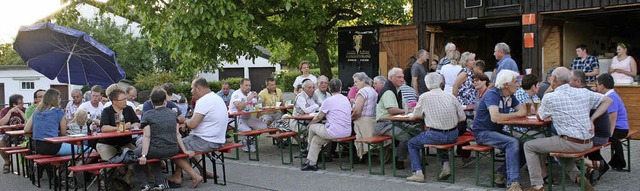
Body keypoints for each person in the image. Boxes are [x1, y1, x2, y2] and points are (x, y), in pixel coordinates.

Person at [524, 67, 612, 191]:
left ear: (553, 78)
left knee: (529, 146)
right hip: (588, 142)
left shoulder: (551, 97)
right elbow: (608, 100)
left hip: (571, 142)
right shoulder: (583, 92)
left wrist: (548, 91)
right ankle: (578, 177)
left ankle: (537, 185)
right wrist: (592, 119)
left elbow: (540, 117)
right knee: (558, 147)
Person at [135, 89, 203, 189]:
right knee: (154, 158)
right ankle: (160, 183)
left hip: (155, 150)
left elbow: (147, 136)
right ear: (165, 102)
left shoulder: (147, 115)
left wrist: (144, 155)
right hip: (173, 150)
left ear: (151, 102)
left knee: (133, 156)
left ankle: (144, 184)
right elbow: (177, 134)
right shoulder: (172, 114)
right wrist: (184, 150)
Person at [406, 72, 465, 182]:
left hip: (435, 134)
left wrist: (412, 115)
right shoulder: (451, 96)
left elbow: (417, 115)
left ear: (426, 84)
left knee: (412, 143)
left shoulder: (424, 97)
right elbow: (462, 118)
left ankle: (418, 172)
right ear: (441, 83)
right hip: (453, 134)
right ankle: (446, 166)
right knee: (441, 141)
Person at [472, 70, 526, 190]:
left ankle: (501, 173)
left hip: (495, 131)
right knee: (512, 142)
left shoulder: (510, 96)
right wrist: (516, 114)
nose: (518, 84)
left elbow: (523, 111)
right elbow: (495, 117)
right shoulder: (492, 94)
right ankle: (513, 183)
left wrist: (516, 113)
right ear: (506, 84)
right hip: (482, 133)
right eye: (516, 81)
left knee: (525, 146)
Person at [168, 77, 226, 186]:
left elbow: (193, 124)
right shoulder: (217, 98)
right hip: (217, 139)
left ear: (199, 88)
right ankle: (202, 171)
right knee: (185, 144)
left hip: (206, 140)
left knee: (171, 147)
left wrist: (185, 123)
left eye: (192, 88)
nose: (191, 91)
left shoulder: (204, 100)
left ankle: (192, 176)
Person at [569, 71, 611, 183]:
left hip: (598, 136)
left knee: (567, 144)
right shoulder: (588, 92)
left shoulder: (583, 95)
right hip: (600, 134)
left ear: (578, 82)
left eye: (570, 80)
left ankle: (590, 168)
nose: (567, 83)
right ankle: (595, 165)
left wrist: (592, 119)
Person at [301, 78, 352, 171]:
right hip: (347, 131)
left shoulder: (328, 101)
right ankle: (312, 163)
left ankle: (307, 148)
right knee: (316, 140)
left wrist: (311, 123)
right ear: (340, 88)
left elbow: (319, 117)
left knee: (312, 127)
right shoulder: (345, 99)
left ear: (329, 88)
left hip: (334, 132)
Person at [24, 89, 87, 156]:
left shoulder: (36, 111)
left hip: (38, 147)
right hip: (54, 147)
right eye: (59, 98)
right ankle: (77, 165)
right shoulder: (58, 112)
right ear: (56, 99)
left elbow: (26, 129)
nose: (60, 100)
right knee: (90, 151)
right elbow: (63, 133)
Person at [375, 68, 416, 170]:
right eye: (399, 77)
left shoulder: (396, 90)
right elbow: (392, 110)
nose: (402, 79)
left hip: (394, 121)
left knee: (416, 131)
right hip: (384, 124)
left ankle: (418, 159)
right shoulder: (388, 91)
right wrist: (406, 111)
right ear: (391, 78)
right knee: (405, 136)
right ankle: (399, 160)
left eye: (403, 77)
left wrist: (407, 110)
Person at [595, 73, 630, 171]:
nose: (596, 87)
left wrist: (609, 133)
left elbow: (612, 117)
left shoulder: (611, 97)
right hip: (620, 127)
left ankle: (612, 162)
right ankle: (617, 161)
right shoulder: (611, 94)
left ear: (602, 85)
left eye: (597, 85)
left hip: (619, 128)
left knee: (599, 138)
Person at [97, 85, 140, 162]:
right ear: (114, 101)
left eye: (125, 99)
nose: (125, 101)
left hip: (125, 142)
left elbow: (137, 123)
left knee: (136, 158)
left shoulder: (128, 109)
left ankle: (130, 172)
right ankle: (104, 173)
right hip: (108, 143)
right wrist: (121, 127)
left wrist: (132, 126)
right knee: (110, 163)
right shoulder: (107, 111)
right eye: (122, 99)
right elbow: (103, 128)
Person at [229, 78, 268, 152]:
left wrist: (257, 98)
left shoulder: (250, 93)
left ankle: (249, 140)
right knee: (248, 130)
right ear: (241, 85)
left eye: (249, 85)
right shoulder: (236, 94)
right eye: (246, 85)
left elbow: (257, 105)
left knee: (264, 126)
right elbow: (239, 107)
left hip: (248, 117)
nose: (248, 87)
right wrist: (248, 99)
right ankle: (245, 143)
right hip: (236, 118)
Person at [351, 72, 378, 161]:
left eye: (356, 82)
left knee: (349, 129)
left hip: (363, 122)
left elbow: (358, 111)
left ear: (363, 81)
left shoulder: (362, 91)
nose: (354, 84)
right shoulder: (373, 90)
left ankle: (356, 156)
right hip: (372, 121)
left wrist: (350, 118)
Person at [0, 94, 26, 173]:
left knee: (27, 143)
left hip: (22, 133)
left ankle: (28, 163)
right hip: (7, 133)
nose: (23, 104)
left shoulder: (25, 110)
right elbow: (2, 123)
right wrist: (10, 112)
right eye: (20, 103)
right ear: (14, 104)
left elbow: (28, 121)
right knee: (1, 142)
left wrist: (21, 112)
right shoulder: (5, 111)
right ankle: (7, 162)